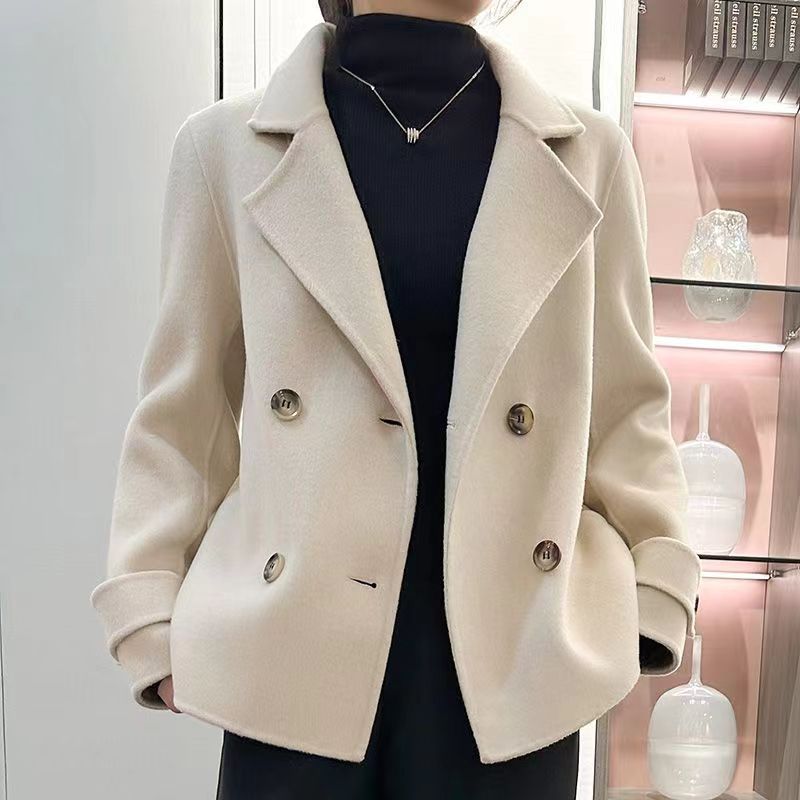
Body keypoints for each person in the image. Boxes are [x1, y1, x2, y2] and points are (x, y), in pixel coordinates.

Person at [90, 1, 702, 798]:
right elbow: (182, 414)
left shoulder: (591, 156)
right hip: (291, 669)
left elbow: (626, 413)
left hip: (516, 672)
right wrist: (151, 620)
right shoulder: (224, 150)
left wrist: (653, 598)